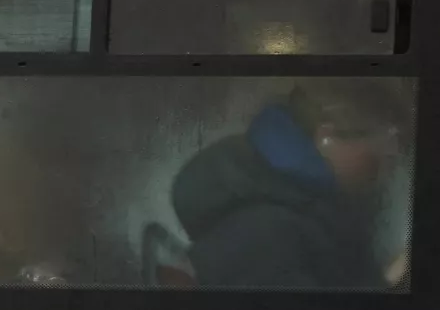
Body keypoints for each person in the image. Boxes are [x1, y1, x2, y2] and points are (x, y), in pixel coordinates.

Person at [171, 79, 409, 289]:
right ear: (327, 137)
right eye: (378, 159)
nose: (384, 173)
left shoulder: (292, 201)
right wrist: (389, 282)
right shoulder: (262, 228)